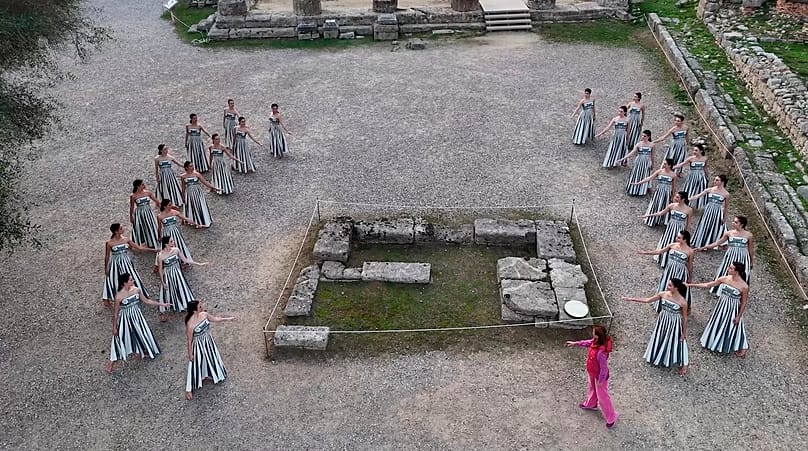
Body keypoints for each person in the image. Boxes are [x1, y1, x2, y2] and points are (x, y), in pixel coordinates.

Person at [106, 273, 171, 374]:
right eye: (131, 280)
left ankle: (143, 350)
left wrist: (162, 304)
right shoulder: (119, 296)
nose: (133, 281)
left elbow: (147, 301)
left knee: (141, 333)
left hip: (137, 317)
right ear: (124, 283)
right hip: (125, 319)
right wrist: (114, 327)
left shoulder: (137, 290)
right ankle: (112, 361)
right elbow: (115, 314)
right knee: (120, 338)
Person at [622, 278, 689, 376]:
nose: (667, 286)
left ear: (676, 288)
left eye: (670, 285)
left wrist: (684, 332)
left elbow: (685, 318)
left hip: (674, 323)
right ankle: (658, 355)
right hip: (662, 321)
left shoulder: (682, 302)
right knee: (660, 338)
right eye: (668, 284)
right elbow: (648, 300)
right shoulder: (663, 294)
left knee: (679, 341)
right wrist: (631, 299)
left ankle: (684, 363)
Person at [687, 262, 750, 357]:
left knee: (734, 326)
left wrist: (739, 316)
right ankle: (714, 341)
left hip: (732, 309)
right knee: (718, 323)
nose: (728, 269)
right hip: (721, 306)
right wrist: (691, 285)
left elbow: (744, 302)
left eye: (731, 268)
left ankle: (742, 346)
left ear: (736, 272)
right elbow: (708, 285)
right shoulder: (724, 279)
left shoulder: (744, 286)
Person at [565, 325, 618, 428]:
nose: (592, 334)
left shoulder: (601, 353)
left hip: (599, 377)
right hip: (593, 373)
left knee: (603, 397)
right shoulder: (595, 342)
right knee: (592, 389)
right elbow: (587, 342)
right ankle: (591, 404)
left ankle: (611, 417)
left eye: (594, 333)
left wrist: (601, 380)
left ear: (598, 336)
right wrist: (575, 343)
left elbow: (604, 368)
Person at [185, 300, 236, 400]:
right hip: (198, 345)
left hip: (208, 341)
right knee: (195, 364)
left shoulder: (204, 315)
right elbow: (189, 340)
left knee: (210, 358)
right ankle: (189, 388)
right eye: (199, 306)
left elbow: (215, 319)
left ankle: (209, 373)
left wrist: (228, 319)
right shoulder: (190, 324)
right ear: (195, 310)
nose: (202, 307)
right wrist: (190, 354)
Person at [103, 223, 158, 306]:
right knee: (112, 278)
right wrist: (106, 268)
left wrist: (153, 250)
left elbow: (139, 248)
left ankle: (134, 293)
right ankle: (107, 297)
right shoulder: (109, 243)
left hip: (126, 262)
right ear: (116, 231)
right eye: (121, 228)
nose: (123, 229)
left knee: (131, 277)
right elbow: (107, 256)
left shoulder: (126, 239)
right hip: (115, 263)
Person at [639, 231, 694, 310]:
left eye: (679, 238)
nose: (676, 239)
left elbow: (690, 265)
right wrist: (646, 252)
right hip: (669, 270)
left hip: (681, 272)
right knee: (667, 286)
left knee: (680, 289)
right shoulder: (672, 245)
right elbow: (660, 251)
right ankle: (663, 305)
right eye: (677, 237)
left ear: (685, 240)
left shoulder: (690, 251)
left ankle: (680, 308)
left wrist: (690, 277)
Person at [698, 216, 754, 293]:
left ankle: (740, 292)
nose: (733, 223)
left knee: (742, 273)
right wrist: (705, 247)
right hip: (731, 255)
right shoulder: (729, 233)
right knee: (728, 270)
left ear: (742, 224)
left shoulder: (748, 235)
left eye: (736, 222)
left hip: (743, 257)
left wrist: (751, 261)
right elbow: (718, 243)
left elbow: (750, 249)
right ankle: (723, 289)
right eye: (733, 221)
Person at [157, 236, 207, 321]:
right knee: (170, 290)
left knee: (182, 288)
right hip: (169, 275)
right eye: (171, 241)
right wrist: (162, 281)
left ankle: (185, 304)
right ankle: (171, 306)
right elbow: (160, 270)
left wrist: (198, 263)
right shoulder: (161, 255)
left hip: (177, 273)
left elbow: (185, 260)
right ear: (166, 244)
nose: (173, 242)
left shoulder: (176, 250)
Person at [641, 191, 693, 267]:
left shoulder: (689, 210)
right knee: (667, 241)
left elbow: (688, 223)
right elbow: (661, 213)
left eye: (678, 197)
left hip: (680, 228)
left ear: (683, 199)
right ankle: (663, 259)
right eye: (676, 196)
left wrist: (686, 233)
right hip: (670, 227)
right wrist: (648, 215)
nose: (675, 198)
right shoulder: (672, 205)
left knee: (678, 244)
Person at [633, 159, 677, 227]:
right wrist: (639, 182)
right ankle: (652, 220)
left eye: (665, 164)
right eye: (664, 163)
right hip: (658, 192)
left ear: (670, 165)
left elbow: (674, 187)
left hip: (667, 193)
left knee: (664, 206)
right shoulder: (659, 172)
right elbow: (649, 178)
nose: (664, 165)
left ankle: (660, 220)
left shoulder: (673, 175)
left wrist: (673, 196)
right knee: (655, 205)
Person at [690, 174, 730, 248]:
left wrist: (725, 217)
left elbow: (726, 206)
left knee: (713, 227)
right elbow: (698, 195)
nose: (714, 181)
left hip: (717, 212)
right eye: (715, 179)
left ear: (722, 182)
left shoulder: (726, 194)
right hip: (708, 210)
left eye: (717, 180)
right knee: (703, 224)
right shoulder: (710, 189)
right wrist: (689, 198)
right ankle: (700, 242)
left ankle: (710, 243)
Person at [157, 199, 199, 264]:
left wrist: (196, 224)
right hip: (166, 233)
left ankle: (182, 260)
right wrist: (159, 236)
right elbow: (159, 227)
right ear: (165, 206)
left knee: (179, 244)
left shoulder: (174, 212)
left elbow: (185, 218)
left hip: (175, 231)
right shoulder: (160, 216)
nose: (171, 206)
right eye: (169, 205)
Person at [180, 161, 218, 228]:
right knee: (191, 206)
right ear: (186, 167)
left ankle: (203, 220)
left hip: (198, 192)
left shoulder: (197, 174)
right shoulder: (183, 176)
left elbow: (205, 182)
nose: (192, 167)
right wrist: (183, 196)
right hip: (189, 193)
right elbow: (183, 186)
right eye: (190, 166)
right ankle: (194, 220)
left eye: (192, 165)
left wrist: (214, 187)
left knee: (200, 205)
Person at [618, 129, 654, 196]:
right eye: (642, 135)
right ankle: (633, 189)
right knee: (636, 174)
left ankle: (644, 189)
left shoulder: (651, 145)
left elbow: (652, 155)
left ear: (648, 137)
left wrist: (652, 164)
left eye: (645, 136)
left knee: (645, 174)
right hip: (639, 161)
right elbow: (631, 153)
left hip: (646, 162)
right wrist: (623, 158)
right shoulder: (638, 144)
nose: (643, 137)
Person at [673, 144, 709, 210]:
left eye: (696, 150)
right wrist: (673, 167)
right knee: (689, 189)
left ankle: (697, 205)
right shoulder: (691, 159)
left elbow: (705, 168)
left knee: (699, 190)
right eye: (694, 150)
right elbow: (682, 164)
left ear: (701, 151)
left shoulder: (705, 158)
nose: (694, 152)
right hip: (692, 177)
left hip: (701, 177)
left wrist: (707, 176)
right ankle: (686, 203)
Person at [129, 179, 160, 250]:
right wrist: (131, 216)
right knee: (139, 227)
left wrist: (162, 205)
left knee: (151, 225)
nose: (144, 186)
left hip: (148, 212)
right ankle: (136, 242)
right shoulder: (133, 196)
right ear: (138, 186)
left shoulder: (147, 193)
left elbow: (155, 200)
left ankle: (152, 240)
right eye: (142, 185)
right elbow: (132, 207)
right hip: (140, 213)